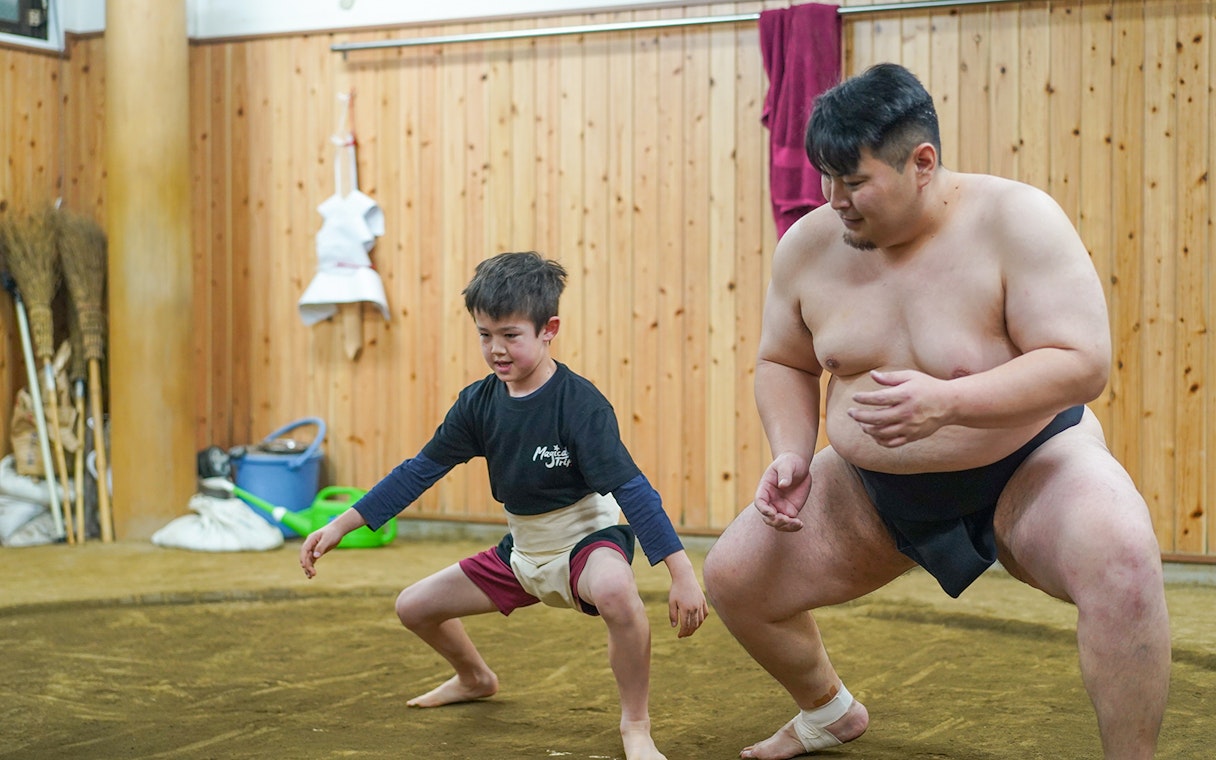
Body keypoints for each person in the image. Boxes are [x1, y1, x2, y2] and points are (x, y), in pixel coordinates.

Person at [702, 63, 1171, 760]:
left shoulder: (1017, 220)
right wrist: (792, 450)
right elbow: (784, 362)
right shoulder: (808, 245)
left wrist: (950, 402)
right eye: (827, 178)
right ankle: (828, 710)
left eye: (855, 181)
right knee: (734, 577)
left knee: (1124, 556)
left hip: (1030, 466)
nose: (835, 200)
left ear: (922, 163)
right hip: (870, 490)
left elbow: (1081, 364)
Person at [300, 250, 708, 760]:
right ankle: (474, 677)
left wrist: (681, 573)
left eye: (510, 335)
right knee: (414, 606)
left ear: (548, 329)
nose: (496, 349)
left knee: (616, 589)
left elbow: (633, 490)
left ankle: (636, 724)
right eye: (484, 334)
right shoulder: (478, 403)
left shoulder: (580, 405)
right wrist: (344, 522)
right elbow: (420, 469)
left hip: (585, 543)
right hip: (521, 552)